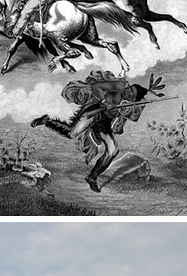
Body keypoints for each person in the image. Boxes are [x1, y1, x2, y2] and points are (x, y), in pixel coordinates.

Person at [31, 71, 165, 192]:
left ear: (133, 99)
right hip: (94, 111)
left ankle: (92, 177)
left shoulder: (128, 105)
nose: (128, 92)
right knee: (72, 133)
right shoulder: (119, 85)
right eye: (130, 89)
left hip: (104, 121)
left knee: (112, 150)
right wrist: (104, 100)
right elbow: (96, 87)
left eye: (131, 94)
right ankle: (46, 121)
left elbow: (125, 120)